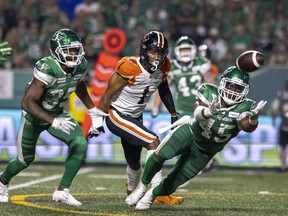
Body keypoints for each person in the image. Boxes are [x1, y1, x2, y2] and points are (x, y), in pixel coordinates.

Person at [125, 66, 267, 210]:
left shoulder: (246, 105)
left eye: (238, 88)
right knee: (161, 154)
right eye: (230, 85)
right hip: (191, 132)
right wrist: (211, 110)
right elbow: (198, 114)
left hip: (206, 150)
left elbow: (247, 126)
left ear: (245, 91)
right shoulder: (208, 90)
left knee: (174, 181)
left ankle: (150, 195)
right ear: (222, 82)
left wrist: (253, 119)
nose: (232, 90)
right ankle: (142, 187)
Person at [0, 28, 104, 206]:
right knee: (25, 160)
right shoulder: (47, 67)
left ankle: (62, 190)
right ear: (57, 52)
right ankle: (2, 181)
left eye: (76, 50)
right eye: (69, 51)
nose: (74, 55)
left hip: (56, 112)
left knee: (80, 143)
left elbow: (77, 83)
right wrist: (52, 121)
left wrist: (92, 110)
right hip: (34, 116)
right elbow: (27, 103)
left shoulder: (80, 65)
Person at [88, 31, 183, 205]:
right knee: (154, 142)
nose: (157, 57)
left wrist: (173, 113)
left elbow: (163, 89)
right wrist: (97, 120)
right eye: (153, 52)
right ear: (144, 50)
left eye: (160, 53)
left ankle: (131, 191)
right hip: (117, 114)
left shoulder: (164, 66)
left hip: (136, 116)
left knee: (134, 162)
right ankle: (158, 191)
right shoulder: (130, 66)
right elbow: (107, 94)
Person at [152, 37, 219, 178]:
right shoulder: (172, 66)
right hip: (182, 109)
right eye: (183, 49)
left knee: (204, 138)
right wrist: (155, 106)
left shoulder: (202, 64)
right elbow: (163, 87)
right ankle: (185, 171)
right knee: (182, 141)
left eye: (188, 49)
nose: (186, 52)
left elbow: (212, 85)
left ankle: (204, 161)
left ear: (194, 50)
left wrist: (216, 103)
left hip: (201, 108)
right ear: (177, 51)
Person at [270, 77, 288, 172]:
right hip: (284, 125)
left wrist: (273, 117)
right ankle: (283, 166)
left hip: (284, 125)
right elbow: (275, 107)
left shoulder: (281, 95)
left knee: (283, 147)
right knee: (283, 146)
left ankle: (283, 167)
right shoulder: (281, 95)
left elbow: (274, 107)